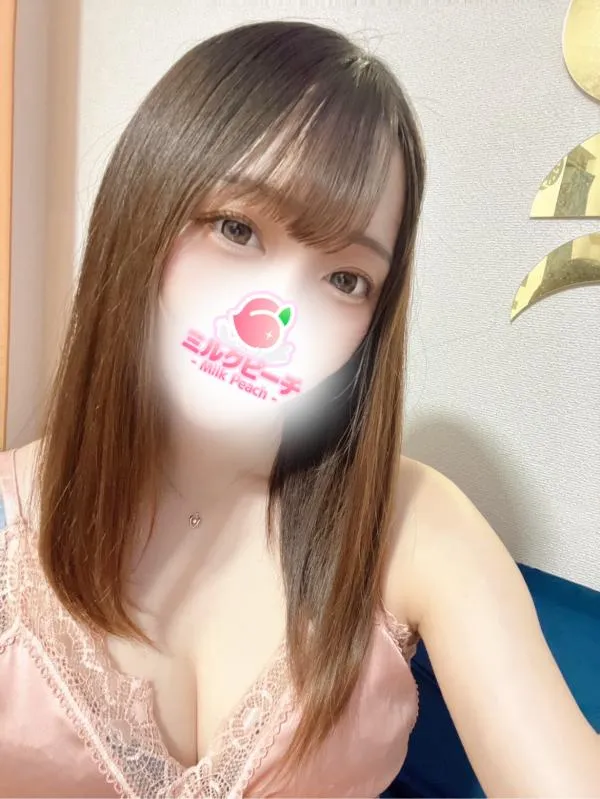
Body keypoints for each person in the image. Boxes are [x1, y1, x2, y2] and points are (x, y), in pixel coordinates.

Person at [0, 19, 598, 799]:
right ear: (141, 213)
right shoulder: (10, 519)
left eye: (346, 279)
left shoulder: (413, 524)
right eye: (237, 229)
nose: (274, 319)